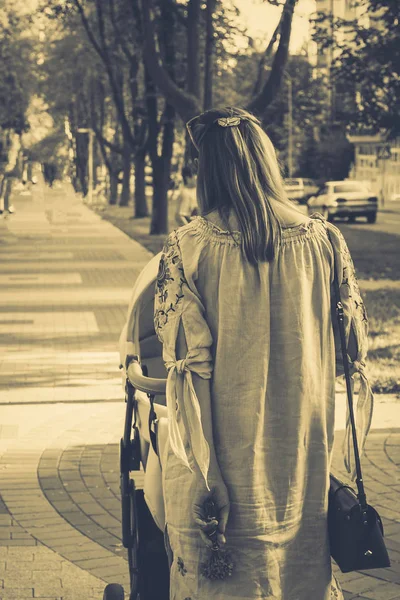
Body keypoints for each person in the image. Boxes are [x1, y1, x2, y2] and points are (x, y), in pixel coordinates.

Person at [153, 107, 373, 599]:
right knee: (298, 578)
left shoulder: (188, 246)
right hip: (300, 461)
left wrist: (211, 478)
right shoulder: (326, 241)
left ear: (205, 169)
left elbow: (194, 375)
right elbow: (353, 349)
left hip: (223, 460)